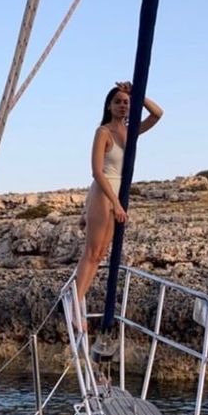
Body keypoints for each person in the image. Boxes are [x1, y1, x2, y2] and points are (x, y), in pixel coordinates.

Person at [73, 80, 163, 325]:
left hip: (119, 194)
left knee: (101, 253)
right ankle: (74, 304)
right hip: (105, 192)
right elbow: (96, 172)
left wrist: (137, 93)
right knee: (92, 252)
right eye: (118, 102)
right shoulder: (103, 132)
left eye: (126, 103)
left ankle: (78, 297)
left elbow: (157, 114)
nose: (123, 106)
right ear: (109, 106)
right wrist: (116, 203)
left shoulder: (131, 130)